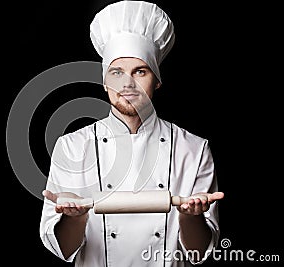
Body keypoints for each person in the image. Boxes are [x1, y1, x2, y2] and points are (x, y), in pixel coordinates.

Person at [40, 1, 224, 266]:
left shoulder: (193, 149)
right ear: (105, 83)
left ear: (157, 81)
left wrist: (190, 217)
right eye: (117, 73)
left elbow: (199, 253)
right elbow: (63, 249)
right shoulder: (71, 147)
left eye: (140, 71)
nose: (127, 84)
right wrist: (74, 217)